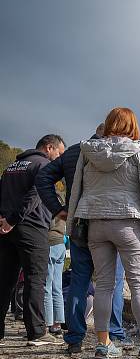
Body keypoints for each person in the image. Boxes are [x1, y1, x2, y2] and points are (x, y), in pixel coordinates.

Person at [67, 107, 140, 359]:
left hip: (96, 224)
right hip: (128, 223)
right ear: (132, 126)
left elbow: (75, 190)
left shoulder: (88, 152)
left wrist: (72, 222)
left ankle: (103, 344)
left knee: (103, 284)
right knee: (138, 284)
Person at [36, 124, 129, 354]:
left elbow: (43, 177)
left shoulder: (74, 152)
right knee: (114, 282)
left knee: (79, 280)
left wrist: (58, 209)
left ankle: (75, 338)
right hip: (109, 223)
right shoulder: (116, 152)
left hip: (79, 225)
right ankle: (114, 335)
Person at [0, 134, 65, 346]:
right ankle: (37, 332)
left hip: (6, 230)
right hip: (32, 227)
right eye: (59, 153)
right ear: (49, 148)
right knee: (36, 279)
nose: (59, 159)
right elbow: (35, 194)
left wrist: (4, 219)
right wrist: (14, 219)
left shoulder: (12, 166)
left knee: (5, 281)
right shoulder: (44, 165)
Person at [43, 213, 66, 336]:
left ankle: (47, 322)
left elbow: (49, 222)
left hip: (50, 243)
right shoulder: (60, 202)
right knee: (57, 287)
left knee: (46, 286)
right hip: (60, 244)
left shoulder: (48, 202)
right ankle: (57, 324)